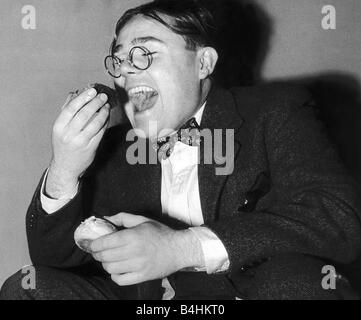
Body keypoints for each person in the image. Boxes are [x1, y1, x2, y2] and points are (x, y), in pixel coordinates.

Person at [1, 0, 361, 300]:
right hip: (152, 303)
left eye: (146, 52)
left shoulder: (274, 111)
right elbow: (56, 262)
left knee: (298, 283)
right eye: (120, 60)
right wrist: (65, 168)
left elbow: (339, 218)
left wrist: (180, 249)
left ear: (203, 63)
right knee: (29, 287)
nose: (126, 70)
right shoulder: (115, 147)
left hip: (252, 292)